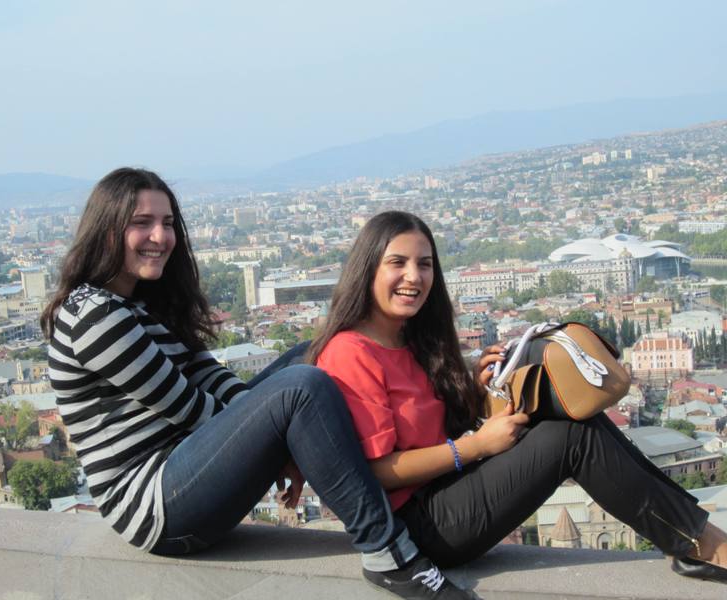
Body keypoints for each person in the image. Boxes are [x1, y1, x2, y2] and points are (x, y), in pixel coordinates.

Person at [43, 168, 477, 599]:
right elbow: (190, 409)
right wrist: (284, 440)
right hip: (157, 505)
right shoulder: (93, 314)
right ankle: (387, 552)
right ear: (106, 227)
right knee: (301, 386)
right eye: (142, 223)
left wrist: (294, 436)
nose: (160, 236)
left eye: (168, 223)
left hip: (189, 471)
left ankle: (409, 473)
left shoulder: (142, 303)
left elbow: (208, 376)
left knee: (316, 354)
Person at [308, 210, 727, 588]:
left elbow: (427, 424)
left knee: (574, 413)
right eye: (397, 263)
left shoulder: (409, 338)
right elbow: (373, 472)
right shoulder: (350, 352)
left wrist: (475, 388)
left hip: (447, 491)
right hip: (417, 528)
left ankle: (691, 535)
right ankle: (699, 542)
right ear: (367, 269)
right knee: (572, 439)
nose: (414, 277)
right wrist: (475, 447)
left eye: (424, 264)